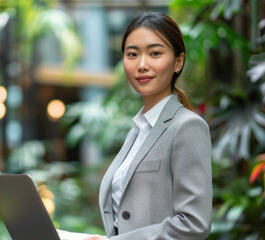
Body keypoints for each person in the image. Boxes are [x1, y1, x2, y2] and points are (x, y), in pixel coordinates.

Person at [83, 12, 212, 240]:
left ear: (178, 62)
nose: (142, 65)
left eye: (155, 53)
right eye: (132, 54)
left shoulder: (187, 127)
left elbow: (194, 223)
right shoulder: (137, 131)